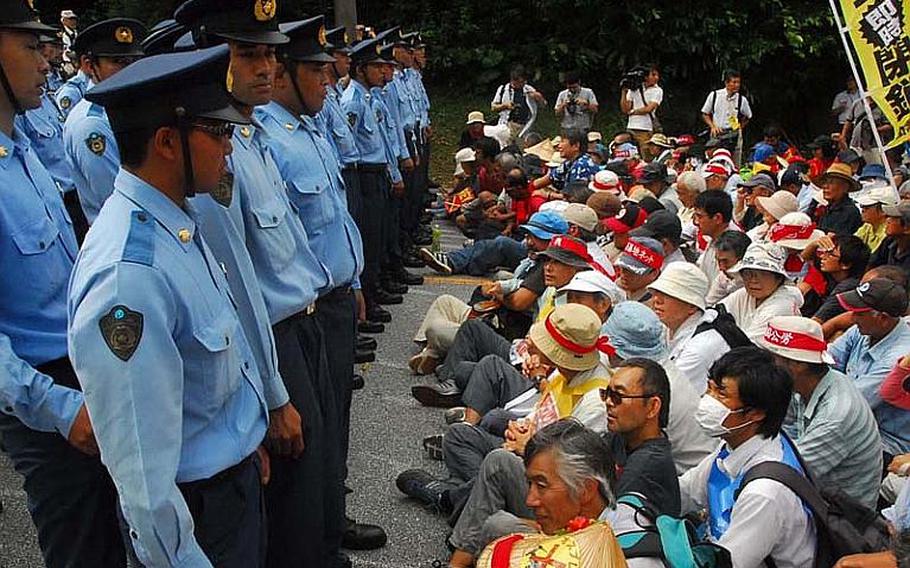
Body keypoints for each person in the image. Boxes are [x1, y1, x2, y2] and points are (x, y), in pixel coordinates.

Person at [68, 44, 271, 568]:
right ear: (166, 141)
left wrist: (243, 439)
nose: (230, 147)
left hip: (227, 489)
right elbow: (142, 476)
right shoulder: (129, 275)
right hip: (194, 519)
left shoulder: (178, 223)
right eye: (218, 132)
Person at [254, 15, 387, 557]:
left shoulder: (307, 130)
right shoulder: (266, 139)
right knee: (309, 444)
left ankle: (332, 521)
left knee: (335, 427)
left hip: (331, 299)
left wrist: (353, 279)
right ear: (283, 74)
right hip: (300, 309)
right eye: (315, 70)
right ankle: (318, 539)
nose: (328, 79)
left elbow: (334, 218)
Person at [0, 4, 126, 566]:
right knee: (82, 547)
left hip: (86, 366)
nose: (48, 62)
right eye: (30, 46)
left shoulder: (20, 151)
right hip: (43, 395)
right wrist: (57, 407)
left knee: (119, 531)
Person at [396, 304, 610, 514]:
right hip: (535, 448)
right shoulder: (566, 371)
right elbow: (541, 410)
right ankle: (476, 495)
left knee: (497, 461)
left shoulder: (595, 402)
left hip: (548, 479)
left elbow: (567, 471)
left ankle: (451, 498)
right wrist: (522, 428)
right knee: (459, 435)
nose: (534, 344)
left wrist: (526, 448)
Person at [683, 347, 817, 567]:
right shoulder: (735, 444)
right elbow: (686, 491)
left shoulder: (765, 494)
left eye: (721, 394)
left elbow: (729, 563)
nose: (709, 400)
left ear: (756, 413)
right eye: (710, 388)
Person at [760, 316, 883, 509]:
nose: (763, 367)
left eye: (770, 359)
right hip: (816, 491)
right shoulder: (802, 386)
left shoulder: (836, 416)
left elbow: (785, 471)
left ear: (797, 364)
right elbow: (781, 431)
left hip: (841, 520)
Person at [62, 18, 146, 223]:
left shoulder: (127, 106)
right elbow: (118, 198)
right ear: (89, 65)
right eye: (117, 62)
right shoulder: (92, 124)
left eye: (134, 61)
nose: (129, 70)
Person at [831, 279, 910, 462]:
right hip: (852, 428)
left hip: (887, 444)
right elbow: (824, 361)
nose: (852, 317)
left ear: (882, 318)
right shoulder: (863, 329)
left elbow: (848, 406)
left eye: (859, 313)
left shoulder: (898, 357)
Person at [648, 263, 729, 394]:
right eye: (656, 292)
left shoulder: (699, 349)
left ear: (692, 306)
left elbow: (667, 393)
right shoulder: (669, 325)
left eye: (667, 295)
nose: (657, 299)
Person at [721, 242, 803, 342]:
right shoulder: (745, 294)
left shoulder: (781, 306)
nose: (753, 280)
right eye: (748, 273)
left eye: (762, 274)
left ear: (778, 278)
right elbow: (713, 314)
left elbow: (749, 347)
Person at [798, 234, 870, 321]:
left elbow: (818, 319)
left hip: (833, 321)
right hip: (821, 307)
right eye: (825, 252)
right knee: (803, 287)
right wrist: (815, 244)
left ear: (846, 264)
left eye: (830, 254)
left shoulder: (847, 287)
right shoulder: (833, 268)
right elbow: (805, 257)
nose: (822, 256)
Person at [531, 128, 600, 195]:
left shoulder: (582, 165)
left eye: (562, 141)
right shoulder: (569, 162)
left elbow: (573, 197)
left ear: (576, 146)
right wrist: (528, 186)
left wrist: (547, 195)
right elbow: (550, 177)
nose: (559, 146)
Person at [701, 70, 752, 159]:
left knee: (734, 160)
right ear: (727, 83)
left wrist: (740, 127)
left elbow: (748, 116)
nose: (737, 85)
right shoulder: (715, 95)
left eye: (738, 82)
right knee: (714, 159)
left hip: (734, 133)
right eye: (734, 82)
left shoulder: (741, 99)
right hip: (718, 132)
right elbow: (705, 113)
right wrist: (712, 126)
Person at [491, 65, 545, 143]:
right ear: (513, 81)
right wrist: (505, 106)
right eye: (521, 82)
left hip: (524, 126)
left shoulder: (529, 89)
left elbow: (543, 105)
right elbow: (493, 107)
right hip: (508, 124)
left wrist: (539, 98)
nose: (523, 83)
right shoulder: (503, 89)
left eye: (524, 81)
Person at [620, 64, 662, 161]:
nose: (656, 78)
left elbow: (649, 109)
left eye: (657, 75)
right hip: (631, 127)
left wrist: (633, 111)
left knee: (646, 156)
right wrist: (624, 92)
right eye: (653, 75)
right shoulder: (634, 88)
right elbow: (625, 109)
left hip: (645, 128)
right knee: (630, 156)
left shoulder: (657, 90)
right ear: (646, 76)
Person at [693, 189, 736, 285]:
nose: (695, 222)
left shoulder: (732, 247)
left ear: (717, 218)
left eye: (699, 217)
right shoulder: (713, 237)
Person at [813, 162, 864, 236]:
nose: (825, 186)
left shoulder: (849, 212)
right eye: (825, 182)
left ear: (845, 187)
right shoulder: (829, 208)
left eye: (831, 182)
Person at [706, 230, 751, 305]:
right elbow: (709, 304)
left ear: (742, 258)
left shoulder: (756, 282)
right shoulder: (723, 277)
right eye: (718, 261)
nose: (721, 267)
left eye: (726, 261)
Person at [615, 236, 664, 301]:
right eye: (623, 268)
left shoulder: (656, 305)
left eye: (632, 271)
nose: (624, 274)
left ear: (654, 274)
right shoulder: (617, 286)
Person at [869, 200, 910, 273]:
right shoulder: (889, 241)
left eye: (894, 218)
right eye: (889, 216)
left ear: (907, 228)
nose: (887, 220)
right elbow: (872, 263)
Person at [855, 184, 898, 253]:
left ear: (883, 211)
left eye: (867, 207)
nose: (862, 210)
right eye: (862, 206)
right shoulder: (867, 226)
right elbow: (852, 243)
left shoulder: (888, 232)